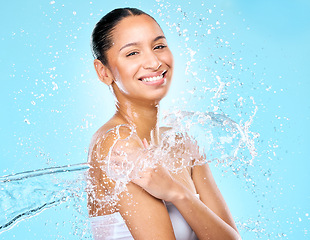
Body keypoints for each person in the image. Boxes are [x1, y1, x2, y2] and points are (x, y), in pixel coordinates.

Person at [87, 7, 241, 240]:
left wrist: (177, 193)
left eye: (159, 46)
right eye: (132, 53)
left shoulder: (182, 143)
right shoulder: (117, 145)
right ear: (104, 71)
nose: (153, 61)